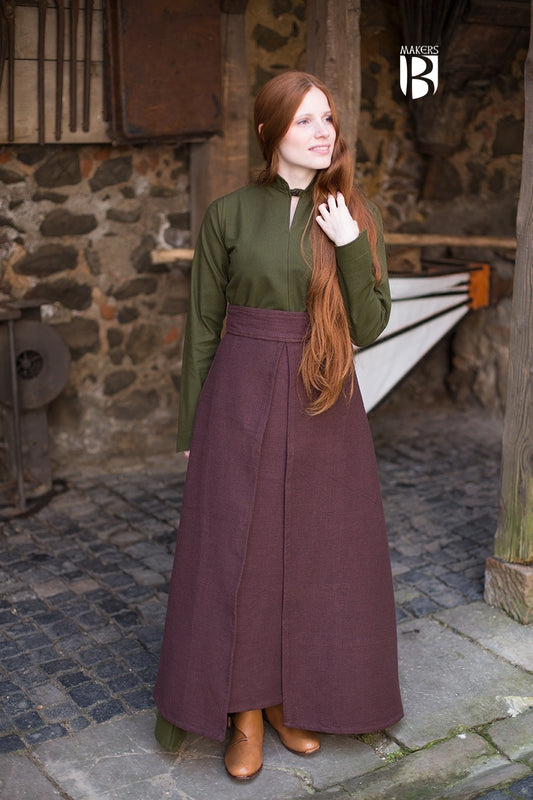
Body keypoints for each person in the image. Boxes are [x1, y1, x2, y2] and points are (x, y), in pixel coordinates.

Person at [153, 70, 403, 781]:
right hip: (239, 394)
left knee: (319, 553)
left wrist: (348, 242)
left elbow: (370, 325)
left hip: (324, 396)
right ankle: (244, 712)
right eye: (304, 120)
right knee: (243, 553)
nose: (322, 132)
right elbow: (202, 325)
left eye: (328, 119)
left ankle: (296, 701)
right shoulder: (228, 215)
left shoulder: (353, 213)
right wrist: (193, 428)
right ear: (269, 131)